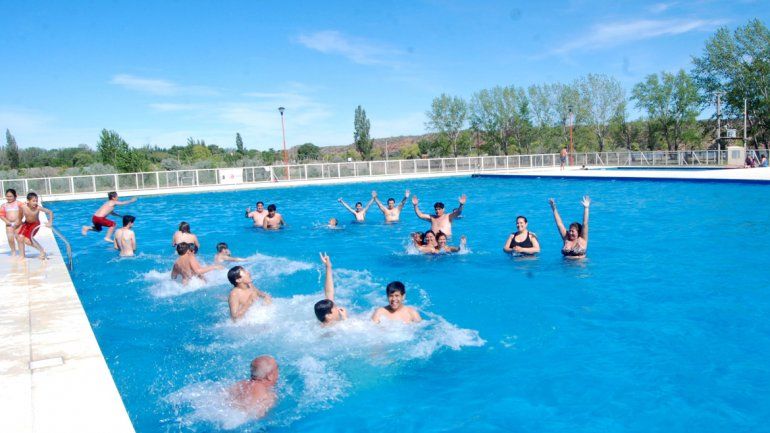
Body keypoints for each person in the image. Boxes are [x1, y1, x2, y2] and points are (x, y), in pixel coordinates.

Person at [16, 192, 53, 260]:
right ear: (28, 201)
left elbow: (50, 212)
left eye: (36, 201)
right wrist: (19, 222)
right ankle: (22, 255)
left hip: (35, 224)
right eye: (33, 201)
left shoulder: (38, 208)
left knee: (27, 240)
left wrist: (50, 222)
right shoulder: (23, 207)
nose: (35, 203)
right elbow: (20, 215)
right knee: (20, 238)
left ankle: (42, 251)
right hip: (26, 223)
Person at [313, 253, 348, 325]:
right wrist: (345, 319)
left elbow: (329, 292)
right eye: (335, 308)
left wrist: (328, 267)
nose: (338, 309)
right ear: (329, 316)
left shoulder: (329, 318)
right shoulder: (330, 331)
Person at [0, 188, 23, 256]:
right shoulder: (4, 205)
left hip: (18, 223)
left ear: (15, 196)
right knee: (10, 238)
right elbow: (1, 215)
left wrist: (19, 220)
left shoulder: (19, 203)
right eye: (7, 196)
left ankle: (21, 252)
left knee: (18, 238)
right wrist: (6, 221)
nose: (8, 198)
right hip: (9, 224)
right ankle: (13, 251)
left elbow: (23, 212)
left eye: (10, 196)